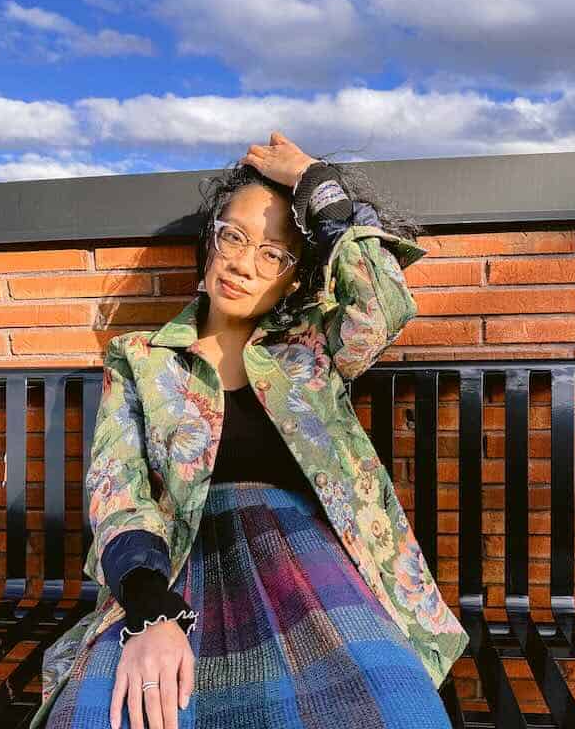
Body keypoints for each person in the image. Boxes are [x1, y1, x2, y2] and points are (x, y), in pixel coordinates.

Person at [33, 131, 468, 729]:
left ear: (293, 279)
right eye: (233, 237)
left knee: (391, 710)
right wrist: (150, 610)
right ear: (209, 246)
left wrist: (317, 183)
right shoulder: (140, 359)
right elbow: (120, 491)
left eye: (273, 252)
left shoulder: (313, 349)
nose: (243, 262)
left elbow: (383, 303)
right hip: (174, 563)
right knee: (104, 714)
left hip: (307, 556)